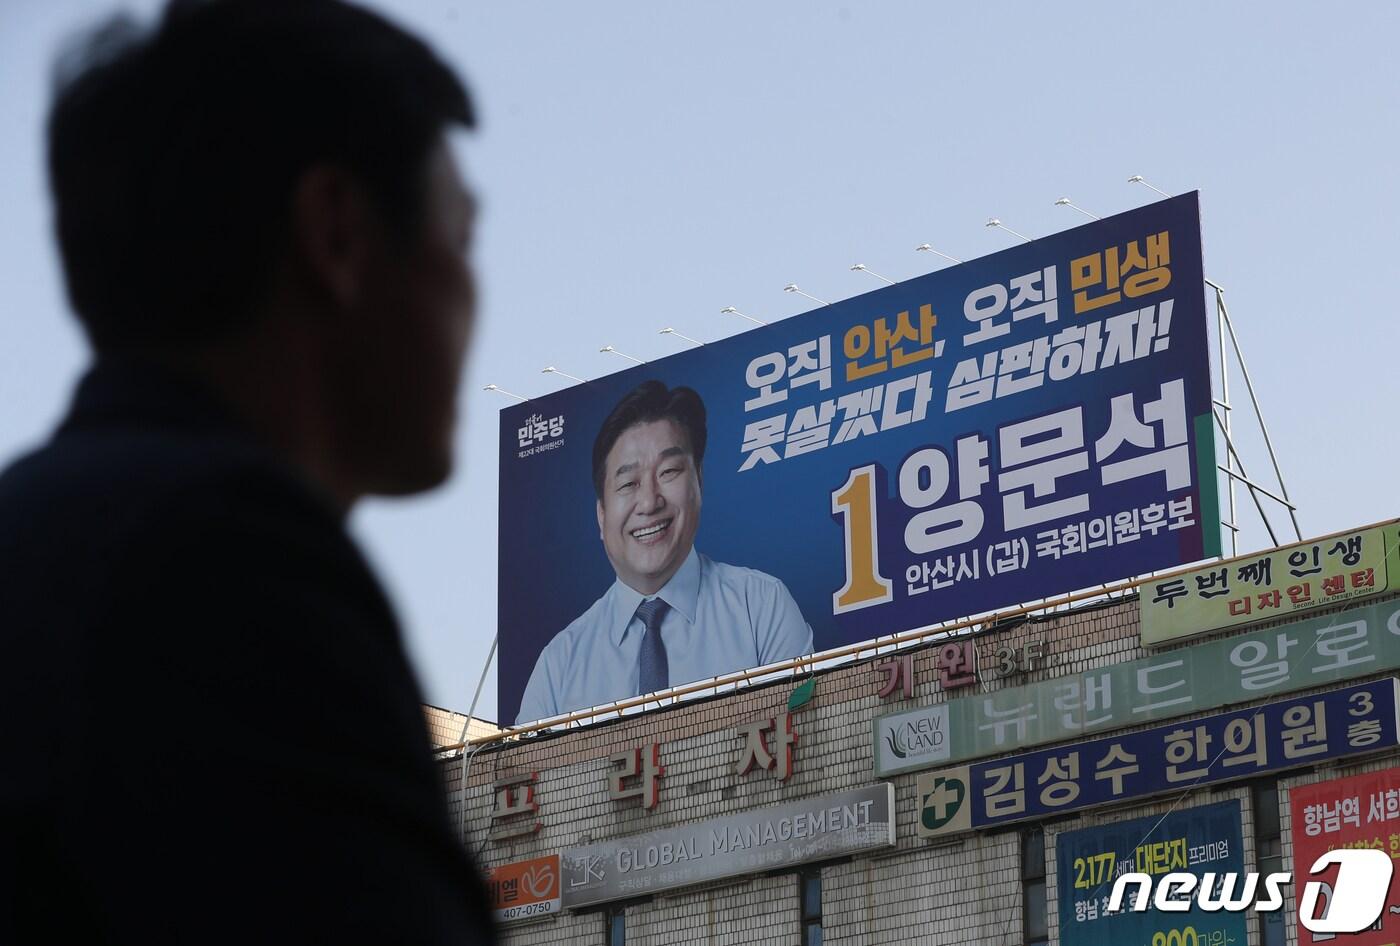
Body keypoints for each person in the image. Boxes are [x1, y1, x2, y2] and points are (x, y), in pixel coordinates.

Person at [0, 1, 496, 942]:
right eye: (460, 239)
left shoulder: (44, 535)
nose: (475, 294)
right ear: (338, 232)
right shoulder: (233, 571)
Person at [516, 381, 813, 723]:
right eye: (628, 484)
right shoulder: (559, 664)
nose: (649, 502)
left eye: (669, 472)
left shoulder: (760, 607)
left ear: (698, 481)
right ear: (601, 515)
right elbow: (528, 773)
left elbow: (801, 742)